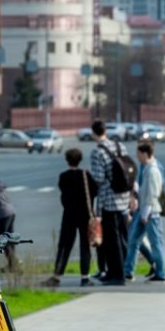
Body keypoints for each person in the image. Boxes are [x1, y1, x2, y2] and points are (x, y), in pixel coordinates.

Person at [45, 148, 97, 288]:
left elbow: (63, 194)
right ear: (80, 160)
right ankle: (85, 278)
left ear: (67, 160)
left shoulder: (64, 177)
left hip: (69, 215)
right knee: (85, 246)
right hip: (85, 215)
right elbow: (95, 191)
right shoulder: (86, 175)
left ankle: (57, 276)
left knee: (64, 246)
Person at [88, 120, 131, 286]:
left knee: (112, 241)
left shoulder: (97, 152)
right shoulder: (120, 146)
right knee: (122, 236)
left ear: (93, 133)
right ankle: (121, 271)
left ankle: (116, 275)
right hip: (123, 198)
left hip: (109, 200)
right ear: (105, 130)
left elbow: (99, 177)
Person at [123, 142, 165, 283]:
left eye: (138, 155)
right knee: (133, 240)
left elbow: (153, 194)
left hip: (150, 213)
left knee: (156, 243)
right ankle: (128, 271)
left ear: (144, 154)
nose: (137, 158)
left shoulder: (153, 170)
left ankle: (160, 273)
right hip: (143, 212)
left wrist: (145, 213)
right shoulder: (146, 168)